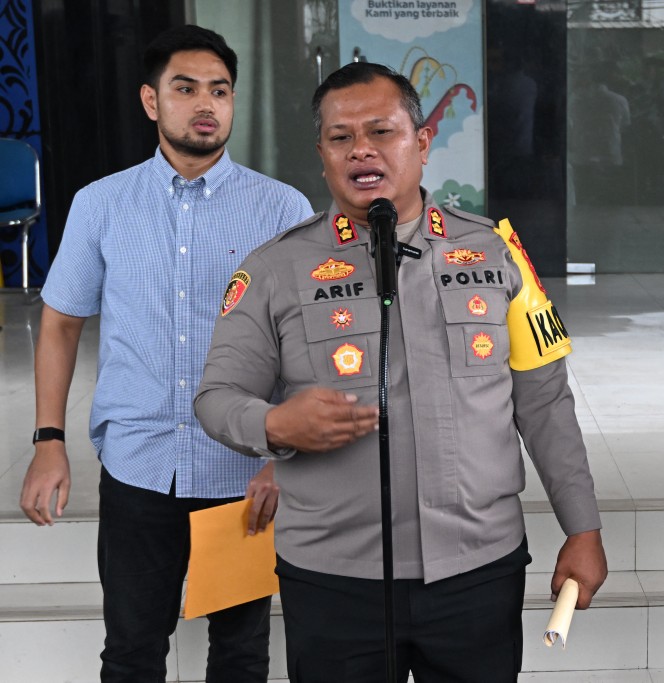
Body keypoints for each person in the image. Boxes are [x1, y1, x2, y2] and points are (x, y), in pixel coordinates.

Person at [194, 61, 607, 682]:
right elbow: (217, 397)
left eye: (381, 131)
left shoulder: (497, 254)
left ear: (421, 141)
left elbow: (544, 403)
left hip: (478, 569)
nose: (361, 149)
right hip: (336, 579)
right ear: (323, 152)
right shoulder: (276, 268)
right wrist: (275, 423)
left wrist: (583, 527)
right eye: (341, 136)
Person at [18, 25, 313, 683]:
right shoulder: (101, 204)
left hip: (242, 478)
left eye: (220, 90)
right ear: (152, 101)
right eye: (186, 89)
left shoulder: (280, 208)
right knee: (130, 652)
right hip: (138, 470)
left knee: (240, 655)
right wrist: (48, 439)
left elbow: (305, 341)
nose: (206, 104)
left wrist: (281, 457)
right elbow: (62, 321)